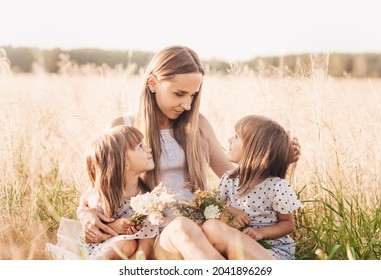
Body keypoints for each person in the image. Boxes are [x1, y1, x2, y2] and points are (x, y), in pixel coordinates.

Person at [77, 45, 301, 260]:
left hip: (200, 224)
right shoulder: (123, 128)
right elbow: (101, 184)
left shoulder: (198, 125)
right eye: (179, 93)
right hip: (153, 235)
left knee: (200, 229)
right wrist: (84, 214)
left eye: (193, 95)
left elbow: (237, 176)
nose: (187, 104)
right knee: (182, 229)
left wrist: (276, 158)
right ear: (153, 83)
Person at [47, 125, 159, 259]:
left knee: (130, 246)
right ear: (124, 163)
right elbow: (88, 235)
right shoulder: (102, 198)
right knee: (127, 244)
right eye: (141, 146)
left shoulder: (147, 199)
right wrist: (112, 227)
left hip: (132, 257)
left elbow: (148, 241)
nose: (149, 149)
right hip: (100, 250)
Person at [202, 115, 302, 260]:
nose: (230, 140)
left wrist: (261, 232)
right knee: (211, 227)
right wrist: (230, 210)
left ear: (255, 149)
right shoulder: (229, 179)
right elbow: (214, 204)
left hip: (271, 249)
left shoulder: (277, 186)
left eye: (236, 137)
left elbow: (287, 225)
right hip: (238, 243)